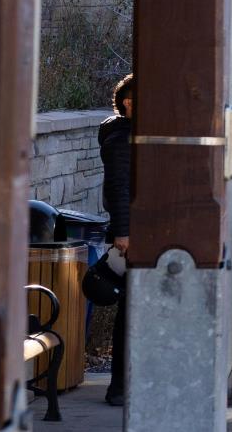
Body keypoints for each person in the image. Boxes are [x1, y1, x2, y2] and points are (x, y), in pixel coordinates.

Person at [98, 73, 134, 408]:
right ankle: (120, 388)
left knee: (131, 311)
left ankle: (123, 386)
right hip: (131, 236)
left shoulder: (127, 135)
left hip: (134, 232)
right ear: (128, 102)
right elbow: (118, 188)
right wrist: (123, 232)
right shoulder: (122, 138)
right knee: (131, 312)